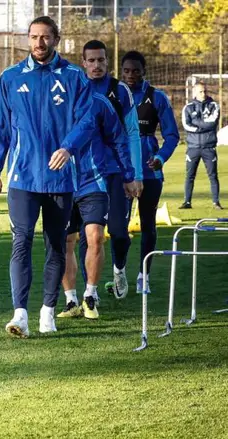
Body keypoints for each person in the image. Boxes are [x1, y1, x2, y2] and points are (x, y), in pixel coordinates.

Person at [0, 16, 95, 338]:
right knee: (21, 241)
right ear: (28, 39)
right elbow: (1, 128)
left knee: (56, 245)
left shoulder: (74, 76)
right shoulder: (10, 77)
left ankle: (48, 311)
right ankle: (20, 314)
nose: (39, 43)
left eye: (45, 37)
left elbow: (87, 121)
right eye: (34, 36)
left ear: (56, 39)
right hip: (22, 177)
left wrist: (68, 147)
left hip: (60, 178)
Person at [56, 92, 140, 321]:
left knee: (95, 237)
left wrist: (129, 175)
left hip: (93, 181)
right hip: (61, 182)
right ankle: (71, 300)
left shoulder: (99, 102)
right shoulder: (50, 98)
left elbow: (119, 139)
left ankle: (90, 295)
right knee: (65, 241)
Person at [77, 40, 142, 300]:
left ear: (107, 61)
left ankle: (119, 269)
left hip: (116, 171)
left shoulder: (120, 90)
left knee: (118, 232)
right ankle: (89, 291)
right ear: (83, 63)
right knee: (87, 235)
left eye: (101, 60)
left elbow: (132, 133)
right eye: (91, 60)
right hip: (85, 172)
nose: (96, 65)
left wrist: (134, 174)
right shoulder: (76, 89)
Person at [121, 50, 179, 294]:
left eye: (136, 70)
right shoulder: (114, 95)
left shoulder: (157, 97)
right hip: (122, 172)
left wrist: (160, 157)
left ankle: (143, 276)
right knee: (119, 227)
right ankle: (119, 272)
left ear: (144, 71)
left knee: (148, 225)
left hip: (150, 173)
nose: (131, 75)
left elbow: (172, 135)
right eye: (126, 71)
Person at [180, 82, 221, 210]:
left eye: (205, 91)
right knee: (189, 176)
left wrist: (196, 122)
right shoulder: (188, 107)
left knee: (213, 176)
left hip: (209, 147)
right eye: (200, 91)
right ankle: (187, 202)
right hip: (193, 147)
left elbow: (212, 123)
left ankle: (216, 202)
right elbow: (186, 125)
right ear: (195, 92)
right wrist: (201, 127)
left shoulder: (214, 105)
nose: (203, 94)